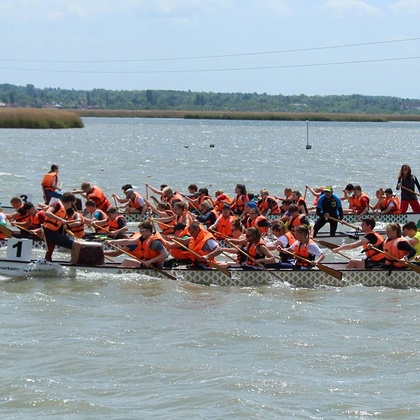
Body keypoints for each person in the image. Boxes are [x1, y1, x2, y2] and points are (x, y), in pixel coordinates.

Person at [43, 192, 86, 263]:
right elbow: (47, 213)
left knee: (78, 242)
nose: (71, 206)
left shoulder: (64, 210)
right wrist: (61, 220)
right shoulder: (57, 204)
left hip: (55, 233)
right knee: (77, 245)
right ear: (69, 203)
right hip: (50, 234)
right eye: (72, 204)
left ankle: (72, 261)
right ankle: (73, 265)